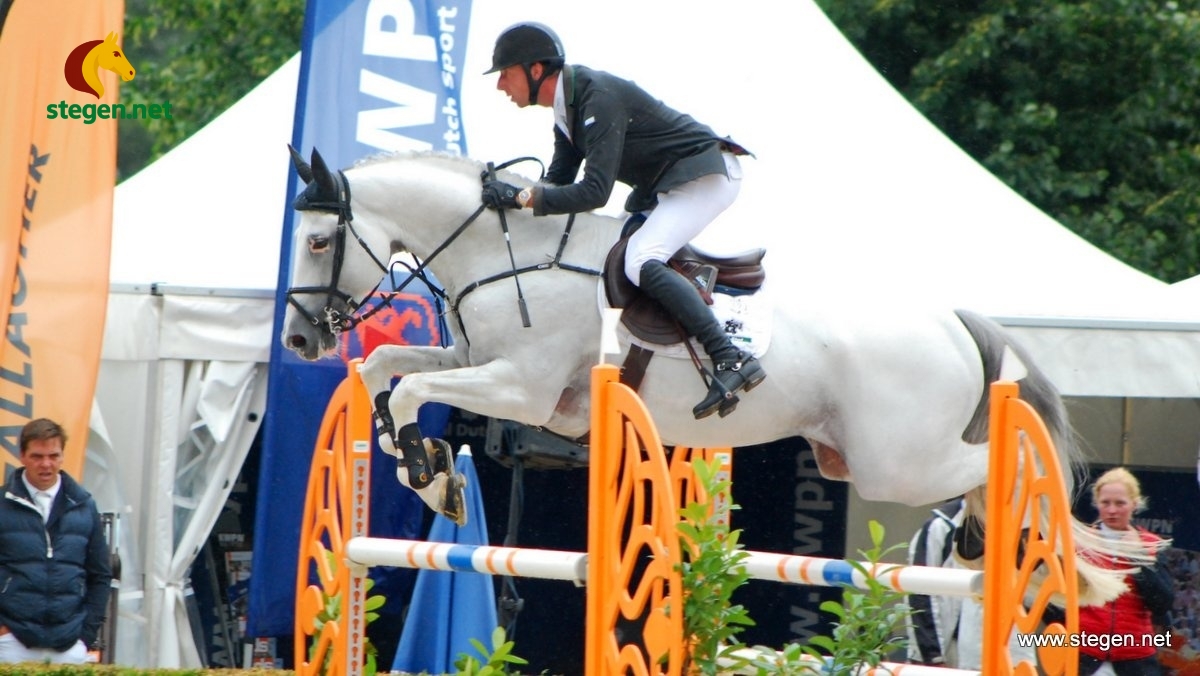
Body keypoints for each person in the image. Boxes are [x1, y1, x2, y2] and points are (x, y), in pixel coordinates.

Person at [480, 21, 765, 420]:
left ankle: (729, 356)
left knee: (639, 259)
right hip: (668, 184)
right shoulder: (567, 108)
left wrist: (521, 197)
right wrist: (512, 199)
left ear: (536, 69)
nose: (500, 86)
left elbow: (594, 192)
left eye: (505, 74)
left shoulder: (598, 97)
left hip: (705, 176)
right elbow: (558, 181)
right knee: (608, 251)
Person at [0, 418, 112, 664]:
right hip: (11, 643)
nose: (46, 464)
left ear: (62, 457)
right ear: (22, 456)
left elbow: (101, 575)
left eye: (53, 456)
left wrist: (85, 635)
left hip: (70, 644)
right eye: (37, 456)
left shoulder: (84, 506)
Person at [904, 498, 1036, 669]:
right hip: (951, 653)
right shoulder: (941, 526)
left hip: (1012, 650)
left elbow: (1036, 592)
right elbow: (918, 593)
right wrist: (932, 657)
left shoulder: (1025, 525)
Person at [1074, 467, 1174, 675]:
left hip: (1135, 659)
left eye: (1120, 503)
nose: (1112, 510)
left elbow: (1162, 602)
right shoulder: (1080, 543)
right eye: (1105, 503)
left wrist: (1137, 555)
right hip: (1085, 655)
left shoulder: (1151, 545)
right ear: (1096, 503)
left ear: (1134, 505)